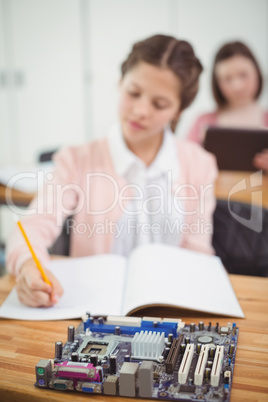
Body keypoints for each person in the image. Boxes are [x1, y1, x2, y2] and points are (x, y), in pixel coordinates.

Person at [6, 34, 218, 307]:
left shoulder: (199, 163)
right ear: (120, 83)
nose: (140, 110)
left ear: (179, 110)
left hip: (172, 311)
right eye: (133, 93)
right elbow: (33, 226)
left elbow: (198, 253)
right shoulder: (77, 159)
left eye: (159, 104)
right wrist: (28, 267)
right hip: (92, 312)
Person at [187, 41, 268, 170]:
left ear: (257, 72)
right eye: (227, 79)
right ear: (217, 83)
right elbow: (185, 165)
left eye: (243, 75)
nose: (237, 86)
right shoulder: (203, 122)